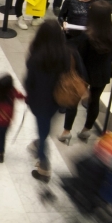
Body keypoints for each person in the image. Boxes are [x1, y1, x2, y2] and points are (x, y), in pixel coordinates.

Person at [62, 1, 112, 143]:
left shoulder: (86, 35)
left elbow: (79, 55)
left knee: (73, 102)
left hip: (83, 73)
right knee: (94, 102)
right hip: (103, 72)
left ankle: (66, 131)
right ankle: (86, 130)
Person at [26, 21, 78, 182]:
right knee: (45, 126)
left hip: (39, 102)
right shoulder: (67, 53)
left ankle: (44, 167)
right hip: (57, 101)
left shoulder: (36, 57)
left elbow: (29, 82)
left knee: (42, 133)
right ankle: (39, 142)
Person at [0, 75, 25, 162]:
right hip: (3, 121)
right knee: (0, 135)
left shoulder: (3, 92)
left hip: (2, 121)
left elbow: (19, 95)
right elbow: (19, 95)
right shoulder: (9, 92)